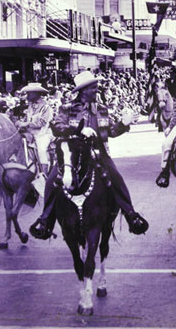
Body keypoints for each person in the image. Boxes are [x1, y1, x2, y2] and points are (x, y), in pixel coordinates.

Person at [29, 70, 148, 240]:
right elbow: (56, 126)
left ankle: (131, 214)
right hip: (72, 152)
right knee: (52, 180)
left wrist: (123, 124)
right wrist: (76, 130)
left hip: (98, 153)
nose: (96, 90)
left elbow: (111, 132)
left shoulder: (102, 109)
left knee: (116, 178)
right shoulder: (67, 108)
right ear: (83, 91)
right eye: (93, 88)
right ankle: (45, 218)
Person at [16, 83, 54, 174]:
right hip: (30, 133)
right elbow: (27, 118)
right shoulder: (30, 106)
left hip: (43, 134)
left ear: (36, 94)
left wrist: (25, 124)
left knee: (41, 149)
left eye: (29, 93)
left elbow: (42, 122)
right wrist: (20, 122)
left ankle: (44, 173)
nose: (27, 95)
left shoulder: (46, 107)